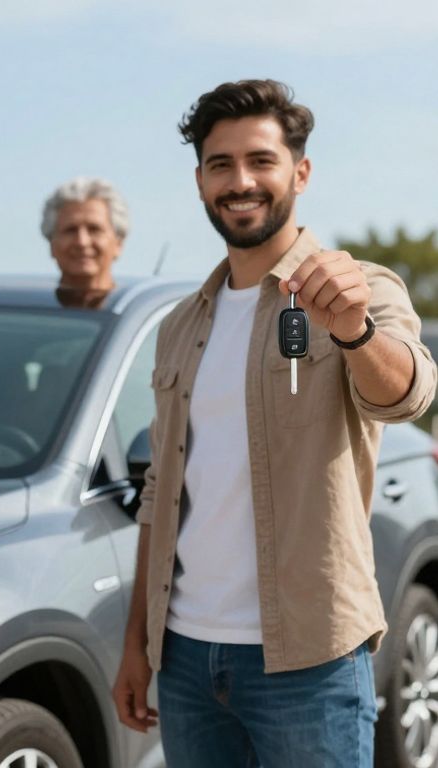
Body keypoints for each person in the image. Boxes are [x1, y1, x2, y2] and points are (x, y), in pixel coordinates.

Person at [111, 79, 437, 767]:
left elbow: (408, 392)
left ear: (300, 172)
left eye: (261, 160)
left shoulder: (360, 286)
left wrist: (354, 332)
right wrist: (138, 644)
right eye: (220, 164)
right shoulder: (180, 325)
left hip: (310, 658)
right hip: (187, 659)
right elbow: (161, 494)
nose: (241, 181)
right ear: (200, 180)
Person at [40, 176, 128, 308]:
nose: (82, 242)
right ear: (52, 244)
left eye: (94, 229)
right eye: (70, 230)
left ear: (118, 244)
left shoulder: (137, 314)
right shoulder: (34, 313)